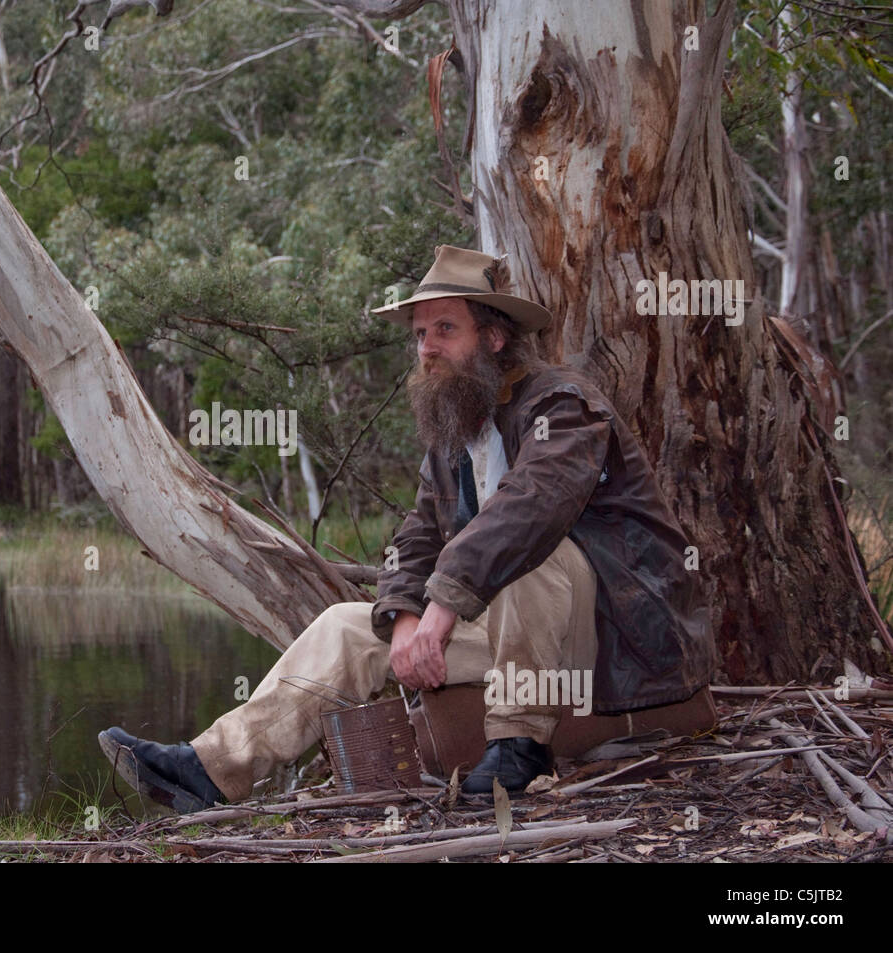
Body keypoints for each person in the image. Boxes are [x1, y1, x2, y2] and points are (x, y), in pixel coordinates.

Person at [99, 245, 714, 813]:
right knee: (344, 624)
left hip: (615, 640)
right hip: (523, 639)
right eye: (420, 334)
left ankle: (518, 748)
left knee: (535, 554)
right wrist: (403, 616)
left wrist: (442, 607)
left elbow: (529, 511)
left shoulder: (563, 407)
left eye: (445, 329)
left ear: (495, 337)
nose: (425, 347)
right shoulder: (457, 431)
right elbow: (415, 538)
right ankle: (211, 769)